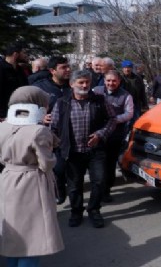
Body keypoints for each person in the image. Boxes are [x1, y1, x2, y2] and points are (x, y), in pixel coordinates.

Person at [0, 86, 65, 266]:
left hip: (7, 178)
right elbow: (46, 163)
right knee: (32, 238)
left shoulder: (3, 125)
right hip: (31, 183)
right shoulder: (39, 130)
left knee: (13, 236)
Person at [50, 70, 116, 228]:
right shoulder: (62, 102)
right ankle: (76, 211)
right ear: (72, 84)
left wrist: (100, 134)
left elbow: (112, 119)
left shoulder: (100, 100)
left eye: (87, 82)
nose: (85, 85)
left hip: (95, 151)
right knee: (74, 186)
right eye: (81, 82)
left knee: (99, 181)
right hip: (72, 152)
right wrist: (58, 145)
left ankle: (94, 210)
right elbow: (53, 126)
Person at [32, 56, 72, 204]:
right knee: (58, 169)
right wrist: (40, 118)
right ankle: (59, 190)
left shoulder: (73, 85)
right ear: (52, 70)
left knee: (72, 170)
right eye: (63, 67)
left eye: (68, 67)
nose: (68, 70)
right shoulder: (40, 87)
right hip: (50, 136)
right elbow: (28, 109)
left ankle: (74, 201)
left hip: (72, 134)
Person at [93, 70, 133, 202]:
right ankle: (97, 189)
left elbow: (129, 113)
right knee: (98, 164)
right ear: (104, 80)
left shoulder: (126, 95)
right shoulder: (95, 91)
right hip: (97, 134)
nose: (111, 83)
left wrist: (114, 119)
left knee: (110, 165)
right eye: (108, 80)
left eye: (114, 81)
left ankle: (106, 190)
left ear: (119, 81)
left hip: (115, 135)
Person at [0, 43, 29, 121]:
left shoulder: (20, 70)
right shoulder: (2, 69)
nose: (25, 55)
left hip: (20, 113)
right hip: (4, 115)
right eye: (23, 53)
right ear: (15, 54)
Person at [120, 60, 148, 128]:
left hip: (136, 104)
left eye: (129, 67)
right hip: (123, 105)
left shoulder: (138, 78)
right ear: (122, 69)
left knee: (135, 122)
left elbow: (142, 92)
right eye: (125, 67)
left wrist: (145, 104)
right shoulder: (120, 78)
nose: (127, 69)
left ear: (132, 68)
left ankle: (132, 136)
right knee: (125, 123)